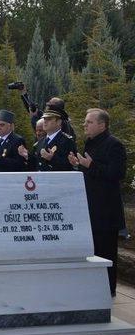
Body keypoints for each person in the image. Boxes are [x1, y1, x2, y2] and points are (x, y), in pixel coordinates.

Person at [68, 108, 126, 297]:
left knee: (106, 253)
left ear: (102, 125)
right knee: (91, 253)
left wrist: (89, 165)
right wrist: (78, 164)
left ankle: (108, 291)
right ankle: (91, 289)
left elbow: (116, 174)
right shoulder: (90, 143)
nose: (85, 125)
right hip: (90, 208)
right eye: (85, 122)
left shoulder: (114, 145)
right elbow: (91, 174)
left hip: (106, 211)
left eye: (89, 122)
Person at [18, 107, 76, 171]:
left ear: (59, 122)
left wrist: (52, 159)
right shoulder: (39, 143)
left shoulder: (67, 141)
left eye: (49, 119)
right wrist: (27, 156)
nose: (45, 121)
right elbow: (36, 165)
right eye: (44, 119)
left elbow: (70, 166)